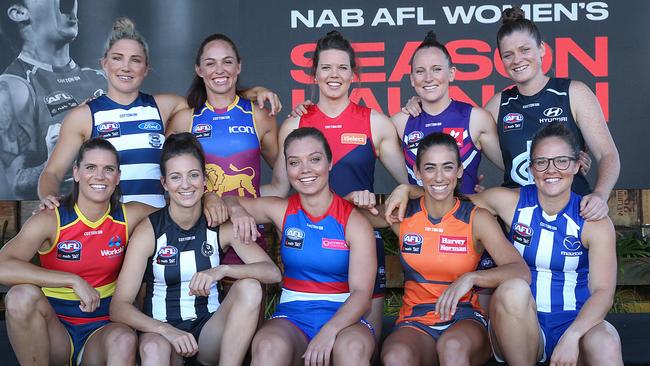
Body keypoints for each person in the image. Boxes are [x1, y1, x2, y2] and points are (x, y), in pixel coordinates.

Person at [388, 122, 623, 365]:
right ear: (531, 169)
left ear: (576, 165)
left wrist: (573, 336)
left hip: (576, 322)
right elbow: (446, 196)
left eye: (562, 161)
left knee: (607, 341)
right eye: (542, 162)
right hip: (520, 323)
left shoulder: (592, 220)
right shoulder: (511, 202)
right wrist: (408, 189)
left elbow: (603, 292)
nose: (551, 170)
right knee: (514, 289)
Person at [38, 17, 281, 209]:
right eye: (117, 58)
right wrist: (48, 197)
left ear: (146, 68)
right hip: (108, 226)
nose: (126, 67)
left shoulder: (164, 106)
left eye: (135, 60)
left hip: (156, 227)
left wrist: (251, 92)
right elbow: (51, 173)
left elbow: (217, 97)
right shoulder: (83, 116)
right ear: (104, 64)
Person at [264, 30, 408, 339]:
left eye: (342, 67)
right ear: (313, 74)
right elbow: (276, 189)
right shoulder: (294, 124)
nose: (334, 75)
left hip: (362, 245)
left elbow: (411, 183)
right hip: (310, 249)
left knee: (363, 347)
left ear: (354, 75)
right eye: (326, 67)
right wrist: (220, 198)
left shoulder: (376, 122)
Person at [109, 132, 281, 366]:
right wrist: (167, 331)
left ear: (204, 180)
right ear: (165, 183)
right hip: (163, 336)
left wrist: (221, 270)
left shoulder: (218, 224)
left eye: (193, 175)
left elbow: (272, 272)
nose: (186, 185)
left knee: (250, 287)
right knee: (152, 347)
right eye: (176, 177)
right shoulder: (150, 231)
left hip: (209, 332)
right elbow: (119, 307)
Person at [356, 132, 528, 365]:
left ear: (459, 171)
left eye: (447, 167)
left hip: (465, 318)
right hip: (416, 320)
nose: (439, 177)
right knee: (396, 357)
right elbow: (352, 218)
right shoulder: (403, 212)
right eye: (429, 168)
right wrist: (353, 198)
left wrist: (471, 278)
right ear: (417, 172)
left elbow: (520, 270)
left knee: (453, 348)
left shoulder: (476, 218)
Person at [222, 127, 376, 366]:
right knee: (267, 346)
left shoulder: (354, 221)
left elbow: (362, 295)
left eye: (315, 159)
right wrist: (236, 210)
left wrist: (328, 331)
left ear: (330, 162)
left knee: (352, 349)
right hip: (292, 314)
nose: (305, 170)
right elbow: (227, 198)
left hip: (344, 315)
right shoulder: (282, 210)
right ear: (287, 168)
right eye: (295, 162)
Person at [0, 138, 157, 365]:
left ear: (118, 176)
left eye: (109, 169)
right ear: (76, 172)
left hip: (103, 330)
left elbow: (180, 216)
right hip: (54, 332)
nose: (100, 176)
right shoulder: (51, 218)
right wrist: (72, 280)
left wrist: (215, 200)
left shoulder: (128, 215)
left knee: (124, 339)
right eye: (91, 168)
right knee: (19, 296)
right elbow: (3, 266)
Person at [485, 6, 619, 221]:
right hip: (519, 217)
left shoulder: (574, 92)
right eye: (508, 55)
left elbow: (608, 155)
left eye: (525, 50)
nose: (517, 60)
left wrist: (600, 196)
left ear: (542, 49)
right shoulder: (496, 105)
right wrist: (418, 102)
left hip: (574, 211)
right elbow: (461, 139)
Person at [167, 33, 278, 266]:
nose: (219, 70)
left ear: (238, 67)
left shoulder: (259, 116)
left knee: (249, 295)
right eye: (210, 63)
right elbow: (169, 180)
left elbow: (285, 173)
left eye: (227, 62)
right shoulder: (184, 119)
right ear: (199, 70)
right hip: (197, 229)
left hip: (245, 229)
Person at [0, 0, 106, 199]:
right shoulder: (13, 87)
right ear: (19, 13)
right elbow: (16, 184)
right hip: (65, 220)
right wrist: (58, 160)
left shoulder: (102, 79)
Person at [393, 31, 503, 194]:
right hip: (418, 217)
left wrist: (485, 199)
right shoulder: (399, 123)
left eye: (436, 69)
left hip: (466, 216)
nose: (428, 78)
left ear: (451, 73)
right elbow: (409, 184)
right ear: (411, 79)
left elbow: (515, 170)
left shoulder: (476, 119)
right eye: (420, 71)